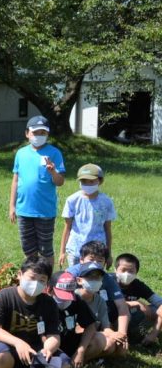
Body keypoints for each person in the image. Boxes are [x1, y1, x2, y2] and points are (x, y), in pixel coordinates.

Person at [9, 115, 65, 263]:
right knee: (28, 249)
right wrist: (12, 206)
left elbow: (60, 182)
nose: (39, 136)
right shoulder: (21, 153)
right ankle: (32, 277)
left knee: (46, 249)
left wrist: (53, 171)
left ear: (47, 134)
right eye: (35, 132)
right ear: (27, 133)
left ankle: (46, 281)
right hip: (24, 209)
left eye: (43, 133)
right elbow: (15, 180)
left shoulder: (54, 153)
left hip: (45, 210)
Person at [68, 240, 130, 354]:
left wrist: (121, 335)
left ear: (105, 263)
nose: (95, 264)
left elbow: (122, 307)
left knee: (111, 345)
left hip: (96, 322)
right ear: (81, 260)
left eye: (100, 261)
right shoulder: (69, 276)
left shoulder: (105, 282)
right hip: (71, 327)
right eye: (91, 259)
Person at [58, 163, 115, 268]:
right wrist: (62, 252)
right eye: (84, 181)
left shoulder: (106, 202)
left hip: (97, 252)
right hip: (75, 249)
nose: (88, 185)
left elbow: (107, 229)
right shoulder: (72, 200)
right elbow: (67, 227)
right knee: (75, 279)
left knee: (95, 280)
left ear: (100, 181)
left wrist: (109, 254)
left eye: (91, 181)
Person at [50, 271, 107, 368]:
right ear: (50, 290)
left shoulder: (77, 300)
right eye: (61, 294)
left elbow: (90, 326)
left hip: (69, 342)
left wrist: (80, 350)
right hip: (51, 347)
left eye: (69, 293)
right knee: (61, 364)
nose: (65, 299)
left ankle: (76, 363)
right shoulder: (44, 304)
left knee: (100, 339)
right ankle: (66, 366)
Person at [111, 253, 162, 345]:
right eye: (123, 270)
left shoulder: (138, 285)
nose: (127, 274)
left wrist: (154, 333)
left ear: (136, 273)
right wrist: (135, 303)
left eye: (131, 271)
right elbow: (104, 305)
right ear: (115, 270)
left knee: (155, 309)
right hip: (110, 319)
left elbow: (160, 303)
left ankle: (139, 334)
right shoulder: (108, 282)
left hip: (131, 316)